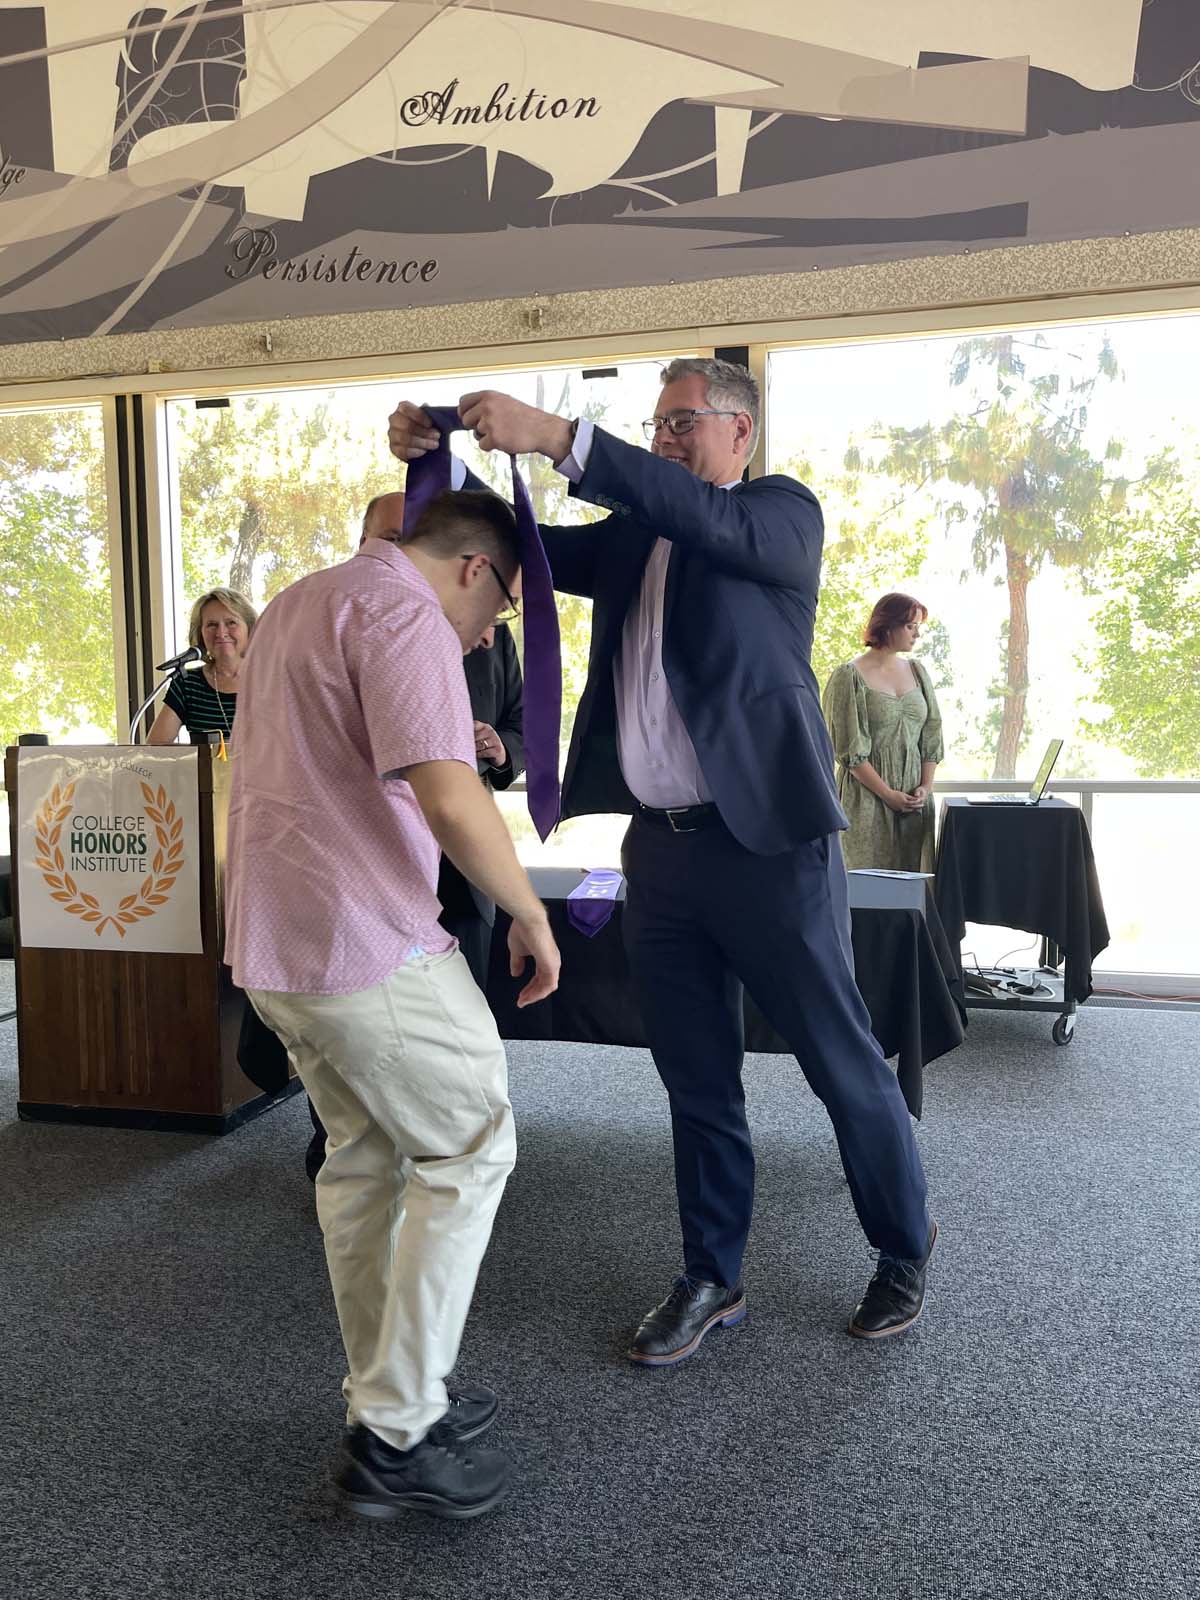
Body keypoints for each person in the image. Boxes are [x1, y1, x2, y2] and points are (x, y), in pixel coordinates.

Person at [387, 357, 936, 1366]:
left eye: (683, 423)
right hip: (662, 853)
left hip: (768, 847)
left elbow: (700, 517)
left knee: (838, 1059)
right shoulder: (641, 531)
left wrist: (560, 437)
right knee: (694, 1075)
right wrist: (437, 470)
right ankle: (711, 1274)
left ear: (742, 433)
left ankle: (904, 1244)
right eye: (658, 423)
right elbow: (522, 548)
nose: (667, 439)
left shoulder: (779, 516)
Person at [225, 488, 560, 1520]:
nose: (493, 629)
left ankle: (384, 1397)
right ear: (472, 568)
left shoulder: (299, 598)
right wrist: (529, 911)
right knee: (472, 1140)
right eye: (500, 606)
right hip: (361, 934)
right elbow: (448, 789)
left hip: (276, 940)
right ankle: (400, 1431)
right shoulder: (410, 612)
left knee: (365, 1159)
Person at [304, 491, 526, 1183]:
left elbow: (523, 725)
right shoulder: (357, 619)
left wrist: (497, 749)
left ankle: (406, 1146)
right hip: (375, 861)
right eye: (390, 539)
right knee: (373, 1071)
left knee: (462, 1024)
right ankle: (351, 1143)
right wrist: (535, 912)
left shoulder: (492, 633)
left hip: (462, 863)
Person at [822, 593, 944, 872]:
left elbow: (932, 733)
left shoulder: (917, 671)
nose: (917, 634)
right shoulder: (848, 676)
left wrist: (926, 786)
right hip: (866, 799)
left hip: (914, 802)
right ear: (888, 625)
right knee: (867, 896)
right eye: (911, 627)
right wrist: (888, 794)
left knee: (912, 896)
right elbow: (849, 751)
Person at [147, 587, 257, 744]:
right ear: (200, 633)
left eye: (231, 622)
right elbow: (154, 749)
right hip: (205, 769)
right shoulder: (187, 684)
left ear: (250, 629)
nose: (221, 633)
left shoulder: (273, 681)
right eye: (212, 625)